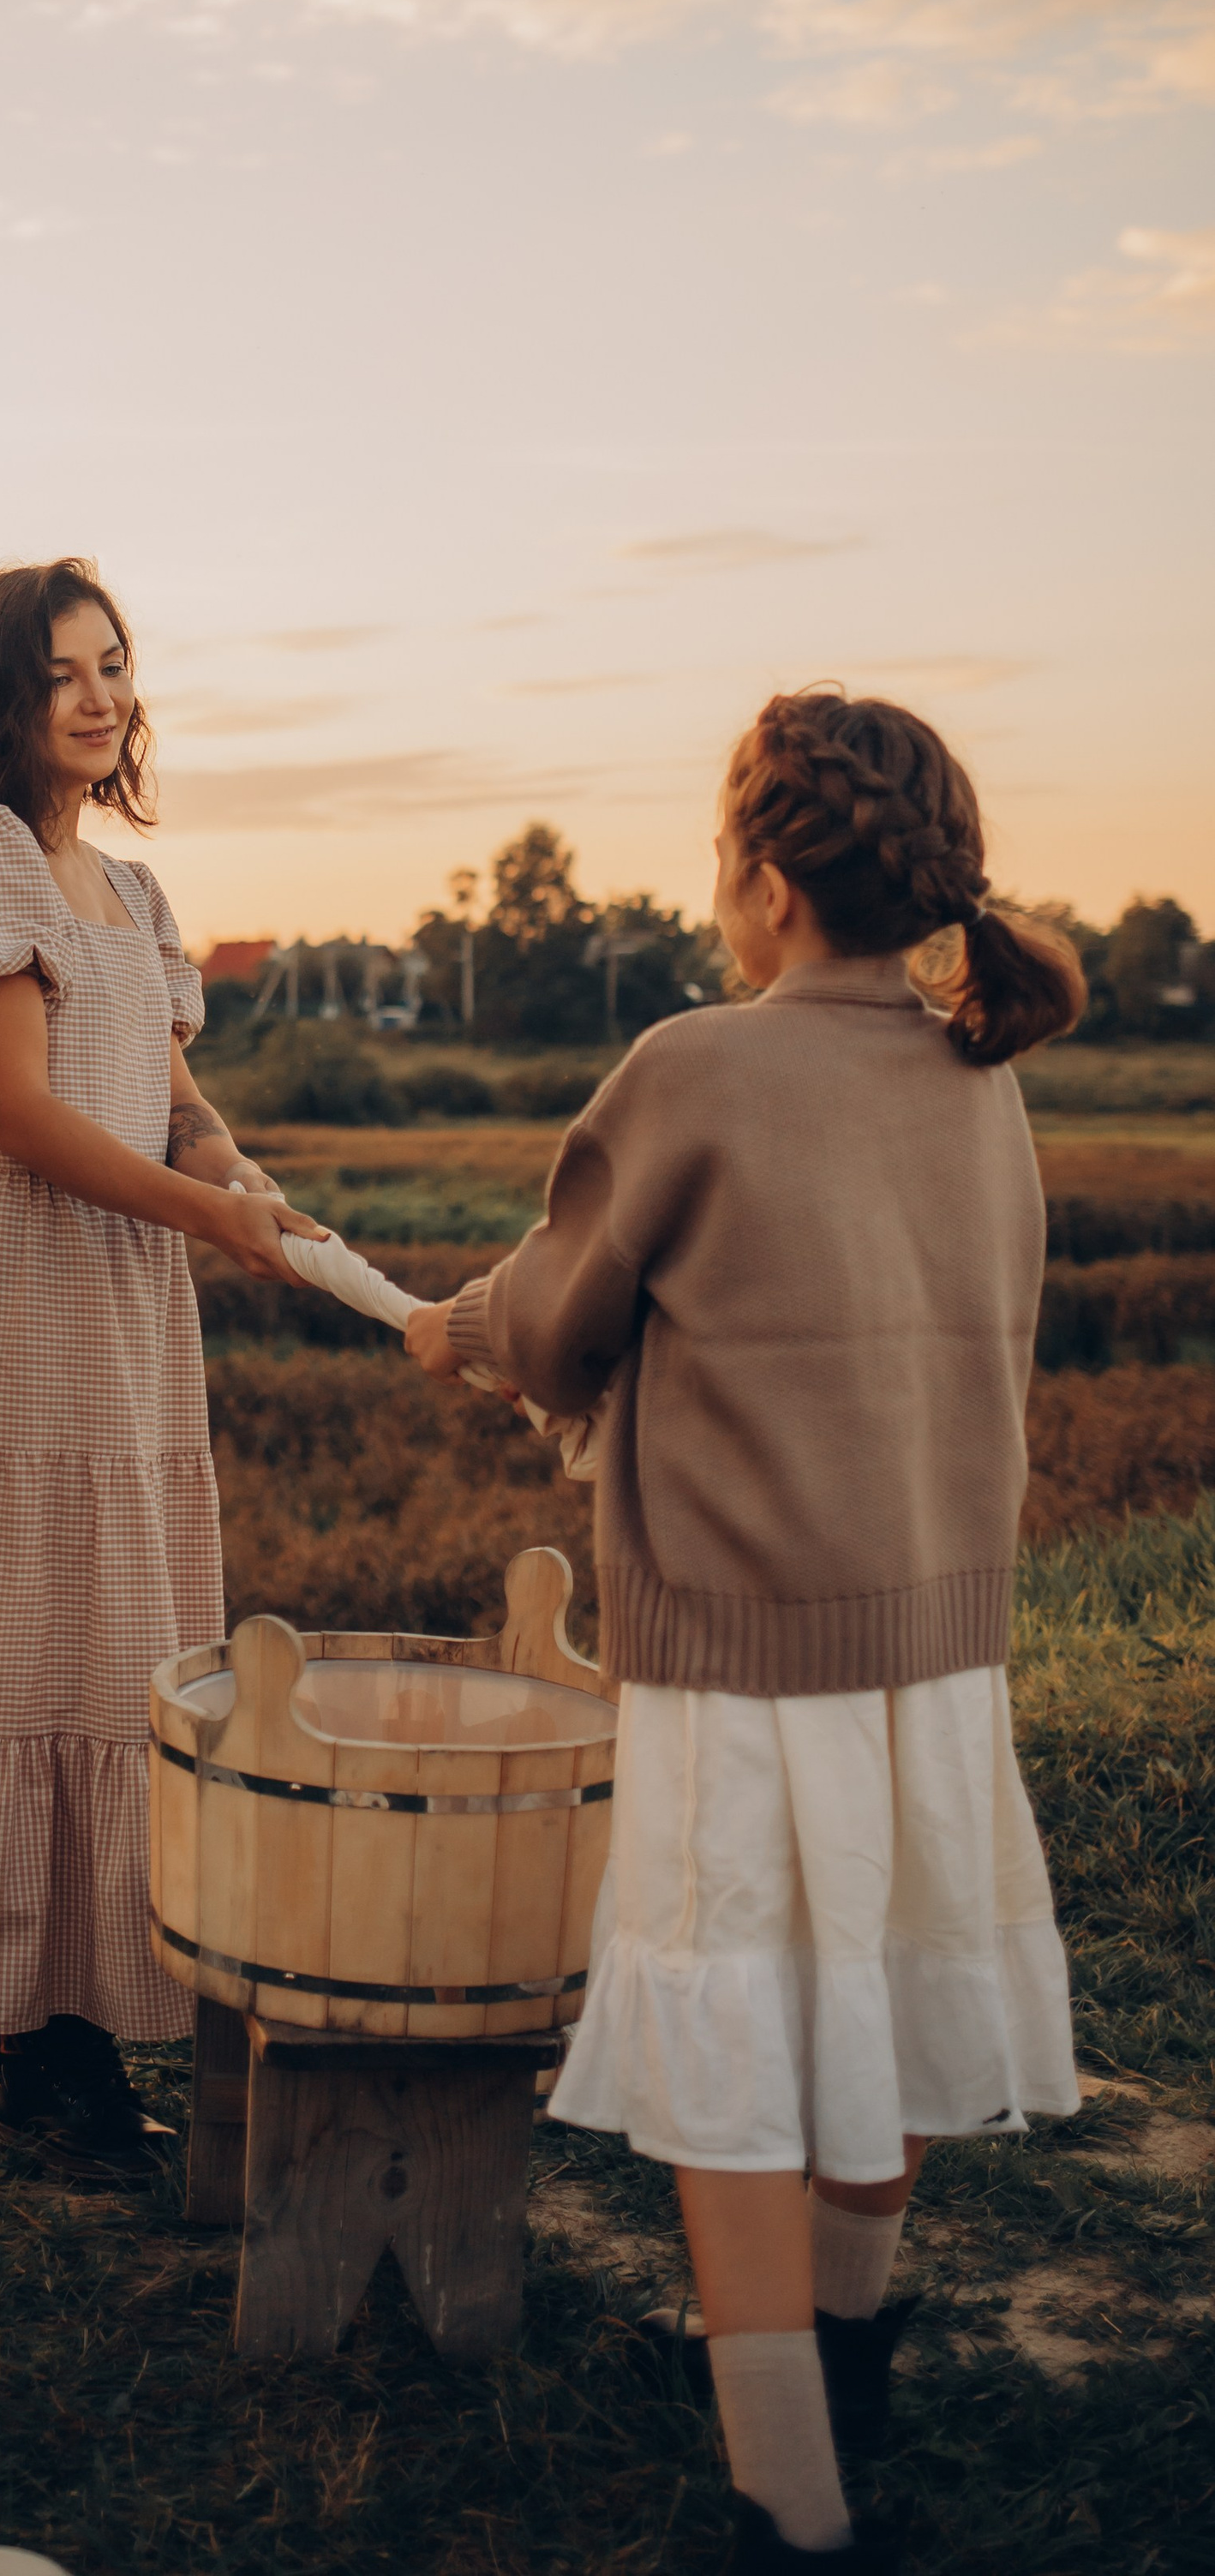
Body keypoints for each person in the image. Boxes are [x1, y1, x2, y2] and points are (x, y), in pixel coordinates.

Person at [406, 690, 1086, 2574]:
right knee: (879, 1994)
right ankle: (843, 2355)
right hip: (937, 1644)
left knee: (733, 2043)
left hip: (739, 1653)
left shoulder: (690, 1066)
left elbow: (551, 1327)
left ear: (769, 883)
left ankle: (784, 2505)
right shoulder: (980, 1075)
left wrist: (450, 1326)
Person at [0, 560, 320, 2184]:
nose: (101, 698)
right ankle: (35, 2036)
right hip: (25, 1282)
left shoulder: (133, 892)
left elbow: (169, 1102)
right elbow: (28, 1122)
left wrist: (243, 1182)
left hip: (128, 1291)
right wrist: (205, 1219)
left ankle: (13, 2020)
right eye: (62, 675)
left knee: (111, 1626)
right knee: (32, 1626)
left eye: (115, 666)